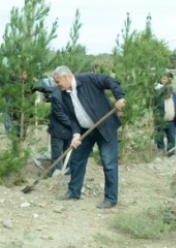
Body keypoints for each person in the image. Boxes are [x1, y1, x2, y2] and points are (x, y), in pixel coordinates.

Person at [53, 66, 126, 209]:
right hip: (86, 131)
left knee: (108, 162)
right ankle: (74, 192)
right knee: (76, 159)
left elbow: (111, 81)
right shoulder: (64, 93)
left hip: (105, 128)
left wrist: (120, 97)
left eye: (57, 81)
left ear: (66, 77)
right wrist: (76, 135)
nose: (56, 85)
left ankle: (110, 199)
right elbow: (72, 117)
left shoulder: (88, 80)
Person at [46, 74, 73, 175]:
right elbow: (60, 115)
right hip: (58, 131)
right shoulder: (56, 95)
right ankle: (55, 176)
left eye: (57, 81)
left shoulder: (73, 90)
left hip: (69, 132)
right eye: (55, 81)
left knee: (68, 156)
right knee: (57, 157)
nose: (56, 83)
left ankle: (67, 176)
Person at [153, 72, 176, 157]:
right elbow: (153, 107)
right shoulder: (158, 96)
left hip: (172, 122)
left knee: (172, 138)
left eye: (168, 94)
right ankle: (161, 153)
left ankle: (171, 154)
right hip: (161, 121)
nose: (167, 96)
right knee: (159, 138)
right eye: (165, 94)